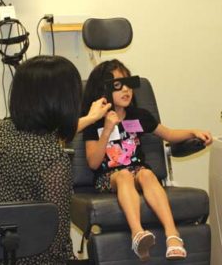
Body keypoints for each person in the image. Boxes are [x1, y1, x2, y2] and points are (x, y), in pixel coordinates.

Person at [0, 55, 111, 265]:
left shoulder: (0, 131)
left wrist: (90, 118)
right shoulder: (54, 160)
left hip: (0, 254)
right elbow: (57, 238)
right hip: (40, 258)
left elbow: (44, 138)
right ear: (62, 102)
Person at [82, 59, 212, 261]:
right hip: (108, 177)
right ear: (104, 90)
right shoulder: (94, 121)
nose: (126, 90)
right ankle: (138, 234)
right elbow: (93, 162)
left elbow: (168, 134)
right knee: (124, 175)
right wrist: (107, 129)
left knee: (147, 173)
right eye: (118, 85)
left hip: (137, 171)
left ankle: (172, 235)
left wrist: (193, 131)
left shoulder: (139, 116)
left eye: (129, 84)